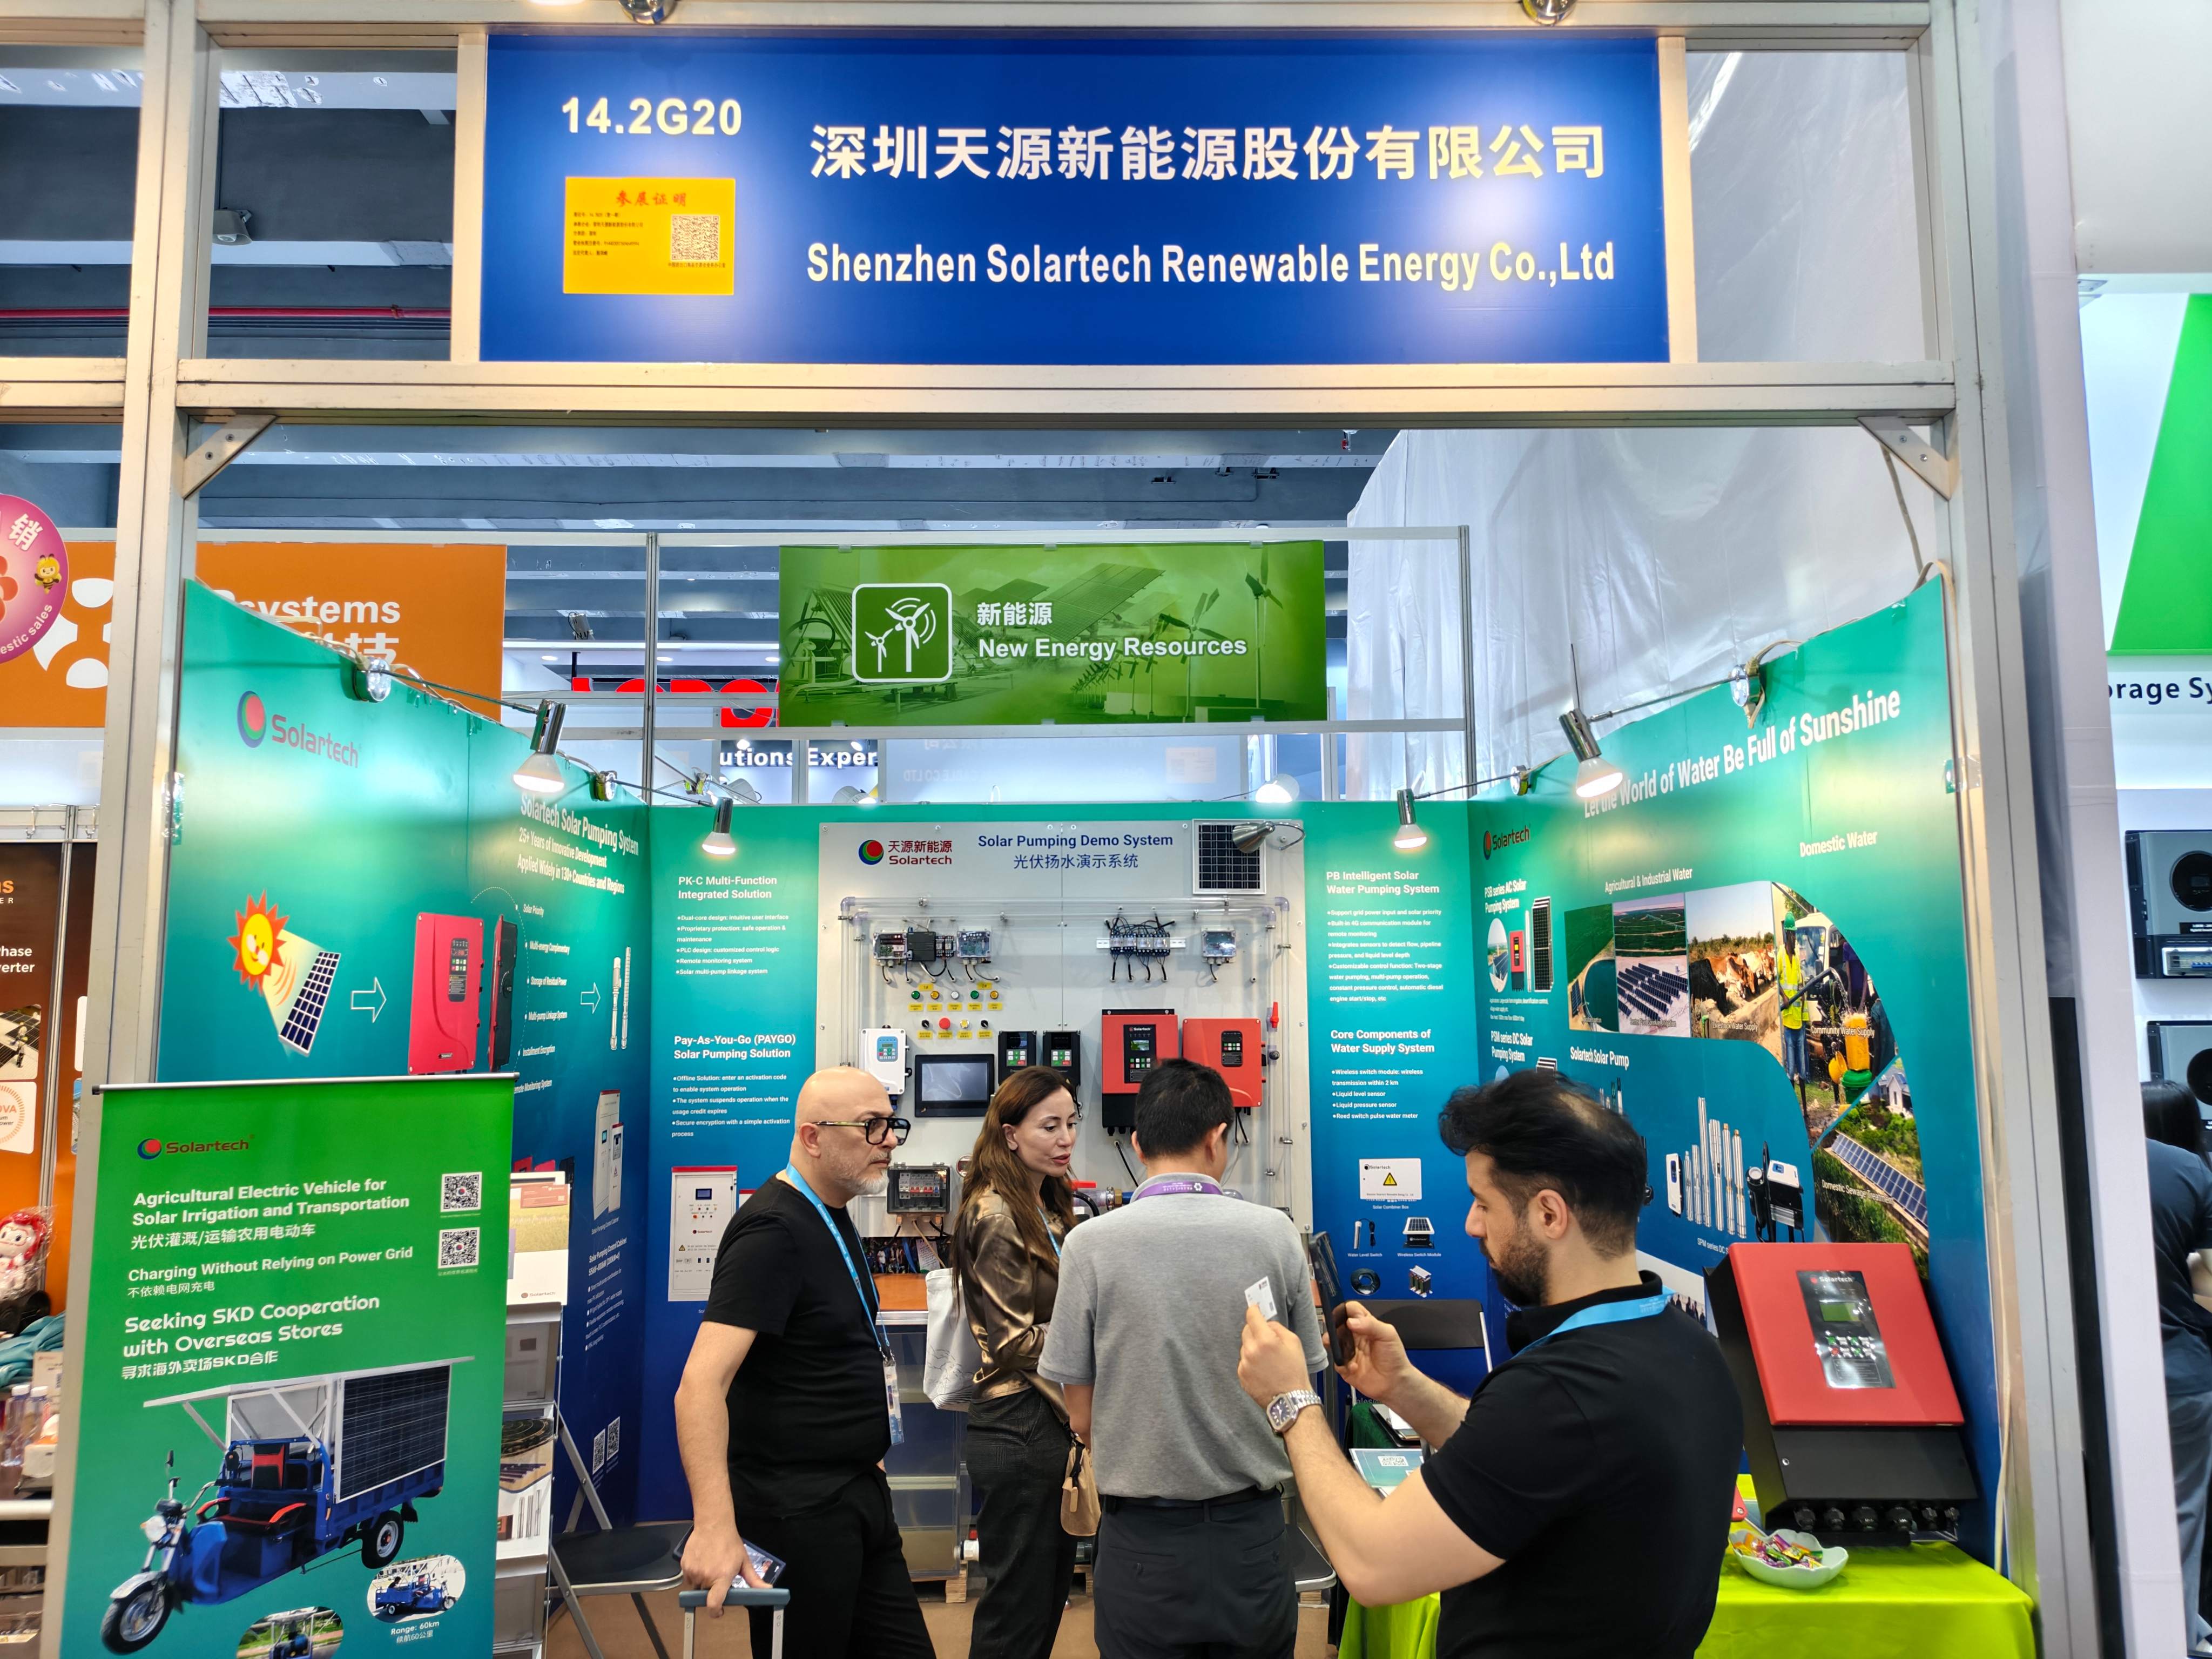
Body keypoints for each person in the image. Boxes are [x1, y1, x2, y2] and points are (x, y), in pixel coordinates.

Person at [1236, 1069, 1742, 1659]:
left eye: (1484, 1203)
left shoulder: (1560, 1393)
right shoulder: (1692, 1350)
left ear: (1549, 1215)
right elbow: (1526, 1466)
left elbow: (1372, 1564)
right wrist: (1404, 1387)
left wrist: (1293, 1401)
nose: (1472, 1225)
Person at [1040, 1058, 1324, 1659]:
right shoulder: (1275, 1234)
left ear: (1138, 1144)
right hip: (1253, 1538)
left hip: (1141, 1546)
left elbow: (1081, 1418)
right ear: (1219, 1136)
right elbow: (1303, 1394)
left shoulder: (1088, 1245)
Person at [673, 1067, 936, 1658]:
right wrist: (714, 1525)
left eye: (891, 1124)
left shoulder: (829, 1210)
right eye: (870, 1126)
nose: (889, 1140)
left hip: (856, 1492)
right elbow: (700, 1386)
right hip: (799, 1512)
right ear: (813, 1138)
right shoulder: (773, 1230)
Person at [952, 1067, 1085, 1659]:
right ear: (1010, 1134)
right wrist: (1092, 1338)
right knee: (1016, 1614)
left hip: (1046, 1421)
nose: (1066, 1139)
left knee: (1043, 1601)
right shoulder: (996, 1213)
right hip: (1019, 1425)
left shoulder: (1043, 1202)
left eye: (1071, 1124)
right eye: (1049, 1127)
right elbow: (1012, 1341)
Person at [2144, 1078, 2212, 1653]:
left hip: (2079, 1378)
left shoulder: (2058, 1160)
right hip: (2179, 1372)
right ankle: (2175, 1635)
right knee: (2180, 1516)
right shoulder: (2189, 1170)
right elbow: (2210, 1282)